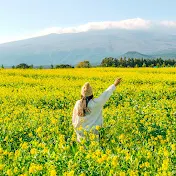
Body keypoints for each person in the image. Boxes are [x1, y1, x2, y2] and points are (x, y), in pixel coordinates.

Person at [72, 78, 122, 142]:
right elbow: (105, 94)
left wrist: (77, 130)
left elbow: (74, 119)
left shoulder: (78, 103)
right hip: (94, 134)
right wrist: (115, 84)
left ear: (81, 94)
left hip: (81, 135)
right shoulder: (96, 103)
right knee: (94, 150)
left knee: (83, 151)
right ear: (91, 94)